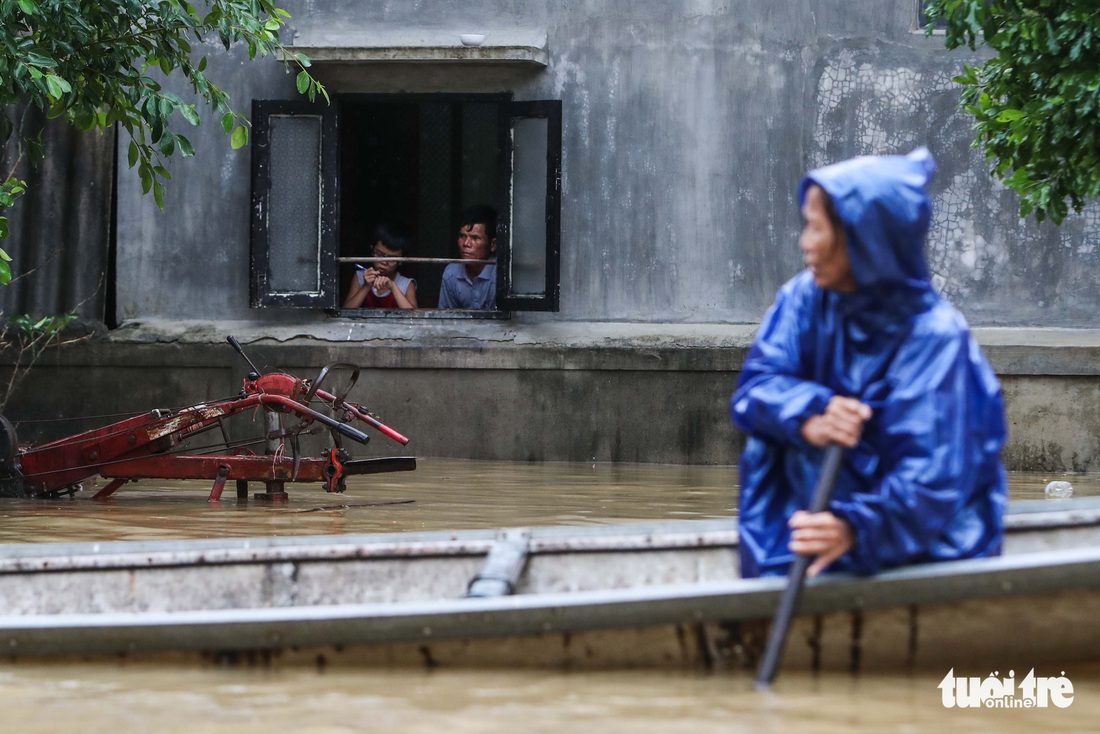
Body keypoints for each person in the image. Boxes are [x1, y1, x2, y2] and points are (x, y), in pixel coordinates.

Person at [729, 148, 1008, 580]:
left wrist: (854, 528)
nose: (805, 244)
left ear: (864, 243)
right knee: (768, 436)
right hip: (804, 536)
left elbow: (931, 476)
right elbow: (754, 391)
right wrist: (809, 413)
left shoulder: (935, 337)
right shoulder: (803, 300)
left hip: (916, 546)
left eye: (817, 230)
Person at [343, 224, 418, 310]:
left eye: (392, 259)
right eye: (379, 254)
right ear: (372, 250)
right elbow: (346, 310)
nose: (384, 262)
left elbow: (414, 317)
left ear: (401, 261)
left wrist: (393, 287)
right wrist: (366, 286)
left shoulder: (406, 284)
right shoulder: (360, 277)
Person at [438, 204, 497, 309]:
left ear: (493, 245)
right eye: (462, 236)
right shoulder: (451, 273)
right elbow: (446, 318)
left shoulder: (501, 274)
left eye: (475, 238)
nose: (466, 243)